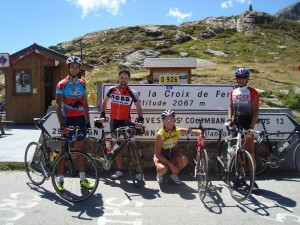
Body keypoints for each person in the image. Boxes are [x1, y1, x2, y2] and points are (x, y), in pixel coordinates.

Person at [55, 56, 93, 191]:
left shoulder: (82, 84)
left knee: (80, 150)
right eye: (72, 67)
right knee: (64, 151)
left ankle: (82, 180)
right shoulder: (62, 84)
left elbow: (85, 104)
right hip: (68, 119)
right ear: (68, 68)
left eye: (77, 67)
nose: (75, 69)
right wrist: (62, 124)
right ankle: (60, 181)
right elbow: (59, 106)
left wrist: (88, 122)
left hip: (80, 120)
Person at [99, 69, 144, 180]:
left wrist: (141, 119)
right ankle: (119, 170)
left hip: (126, 122)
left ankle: (138, 172)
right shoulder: (112, 90)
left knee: (133, 147)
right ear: (118, 78)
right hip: (114, 122)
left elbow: (138, 107)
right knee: (116, 146)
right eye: (121, 77)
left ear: (129, 80)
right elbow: (104, 103)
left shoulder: (132, 92)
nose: (123, 80)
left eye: (126, 78)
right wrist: (103, 115)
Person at [227, 67, 260, 193]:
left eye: (243, 77)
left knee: (250, 152)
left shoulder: (253, 92)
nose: (241, 80)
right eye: (239, 78)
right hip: (236, 124)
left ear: (247, 79)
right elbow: (231, 107)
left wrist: (251, 126)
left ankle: (252, 179)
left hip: (248, 125)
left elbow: (256, 110)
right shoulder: (233, 92)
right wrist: (229, 119)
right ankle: (240, 177)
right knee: (238, 152)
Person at [154, 109, 201, 184]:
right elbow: (158, 154)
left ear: (174, 121)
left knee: (184, 159)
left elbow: (191, 132)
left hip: (172, 154)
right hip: (161, 156)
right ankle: (159, 174)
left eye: (171, 120)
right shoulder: (159, 134)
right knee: (162, 169)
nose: (169, 122)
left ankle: (173, 175)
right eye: (166, 120)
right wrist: (171, 165)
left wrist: (200, 132)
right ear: (163, 122)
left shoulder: (178, 130)